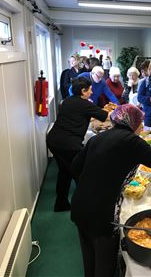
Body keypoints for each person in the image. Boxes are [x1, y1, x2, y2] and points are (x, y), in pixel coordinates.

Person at [70, 104, 151, 277]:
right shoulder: (131, 141)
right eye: (141, 123)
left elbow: (75, 167)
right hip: (101, 213)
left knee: (90, 257)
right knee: (105, 264)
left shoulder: (99, 138)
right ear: (133, 123)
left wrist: (98, 180)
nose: (142, 127)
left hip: (80, 205)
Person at [46, 77, 109, 212]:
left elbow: (79, 115)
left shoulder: (67, 101)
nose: (92, 92)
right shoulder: (84, 104)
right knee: (81, 173)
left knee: (65, 171)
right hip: (67, 144)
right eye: (90, 90)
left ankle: (61, 204)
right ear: (83, 91)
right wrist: (123, 112)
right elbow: (106, 116)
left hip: (53, 140)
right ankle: (85, 208)